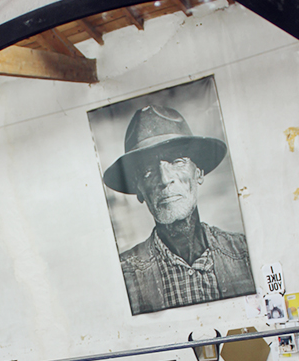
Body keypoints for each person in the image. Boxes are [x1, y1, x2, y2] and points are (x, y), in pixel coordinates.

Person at [103, 104, 255, 315]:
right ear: (139, 189)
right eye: (148, 170)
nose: (165, 179)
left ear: (198, 172)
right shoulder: (124, 274)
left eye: (177, 161)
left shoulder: (245, 253)